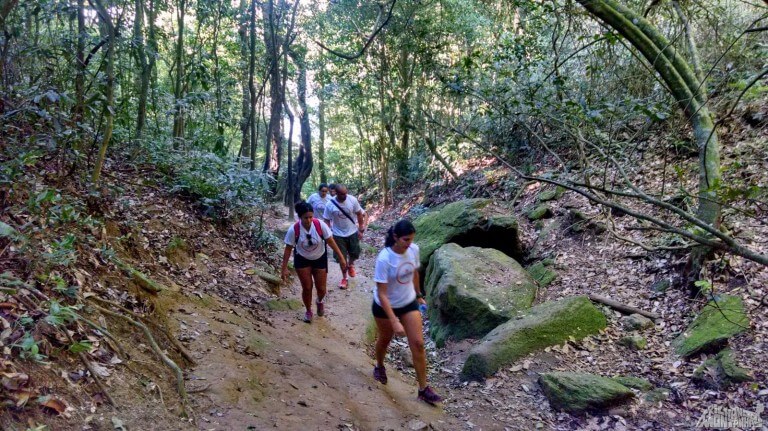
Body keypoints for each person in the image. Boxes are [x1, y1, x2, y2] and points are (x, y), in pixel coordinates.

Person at [371, 220, 442, 405]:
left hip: (408, 301)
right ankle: (379, 365)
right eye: (405, 240)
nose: (409, 243)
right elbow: (382, 293)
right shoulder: (384, 259)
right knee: (385, 339)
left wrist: (418, 295)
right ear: (395, 237)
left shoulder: (413, 249)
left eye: (411, 239)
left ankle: (423, 388)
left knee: (418, 344)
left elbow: (414, 272)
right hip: (385, 306)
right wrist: (394, 320)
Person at [281, 202, 347, 323]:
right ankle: (308, 310)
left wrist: (342, 258)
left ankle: (319, 301)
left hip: (319, 257)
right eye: (306, 217)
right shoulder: (294, 230)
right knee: (307, 287)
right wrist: (284, 268)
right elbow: (288, 248)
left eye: (311, 216)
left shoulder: (320, 225)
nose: (309, 220)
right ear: (300, 217)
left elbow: (331, 241)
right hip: (302, 258)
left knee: (321, 289)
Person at [322, 184, 366, 289]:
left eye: (346, 193)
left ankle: (350, 264)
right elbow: (326, 220)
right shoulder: (330, 204)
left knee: (355, 253)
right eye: (342, 194)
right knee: (341, 258)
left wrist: (360, 229)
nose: (345, 195)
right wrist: (328, 234)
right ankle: (344, 278)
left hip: (352, 232)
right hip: (338, 235)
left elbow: (359, 214)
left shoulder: (352, 200)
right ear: (336, 193)